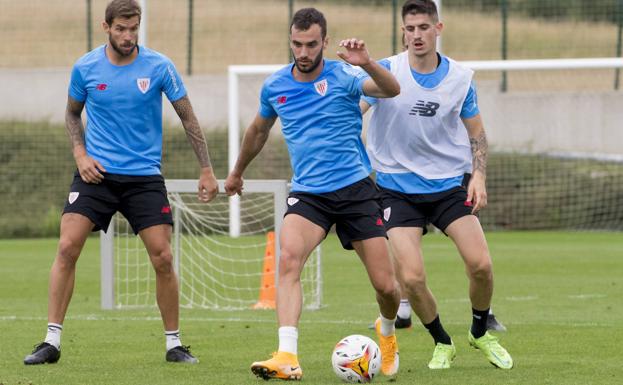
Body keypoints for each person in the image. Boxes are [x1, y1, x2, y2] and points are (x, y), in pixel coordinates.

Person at [23, 0, 218, 365]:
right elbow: (71, 113)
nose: (129, 36)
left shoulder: (160, 66)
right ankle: (51, 342)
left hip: (144, 178)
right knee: (67, 247)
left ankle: (174, 344)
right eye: (121, 28)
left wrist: (206, 168)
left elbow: (188, 117)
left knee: (163, 256)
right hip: (96, 176)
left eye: (134, 28)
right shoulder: (86, 67)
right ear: (106, 27)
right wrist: (80, 154)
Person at [224, 7, 401, 381]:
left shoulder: (345, 76)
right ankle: (287, 355)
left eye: (310, 44)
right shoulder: (275, 86)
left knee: (387, 286)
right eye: (296, 44)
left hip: (355, 190)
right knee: (288, 261)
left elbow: (391, 89)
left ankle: (386, 332)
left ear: (324, 41)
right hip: (309, 194)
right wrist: (237, 172)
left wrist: (366, 62)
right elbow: (257, 131)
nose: (302, 52)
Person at [361, 0, 513, 370]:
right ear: (402, 32)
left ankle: (479, 332)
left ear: (438, 29)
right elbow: (354, 111)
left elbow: (476, 131)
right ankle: (442, 341)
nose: (417, 35)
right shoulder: (386, 72)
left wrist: (478, 176)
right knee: (411, 279)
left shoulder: (460, 78)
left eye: (424, 28)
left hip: (447, 186)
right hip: (396, 188)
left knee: (481, 265)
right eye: (410, 28)